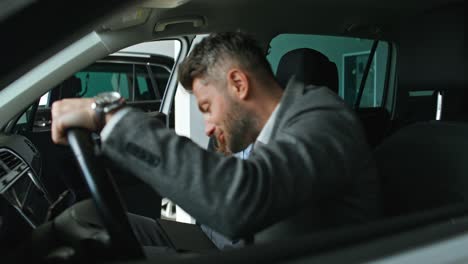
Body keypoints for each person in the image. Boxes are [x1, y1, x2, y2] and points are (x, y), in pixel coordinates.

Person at [51, 32, 381, 250]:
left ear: (238, 84)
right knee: (81, 220)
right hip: (216, 240)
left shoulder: (323, 118)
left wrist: (111, 117)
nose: (207, 127)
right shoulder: (248, 131)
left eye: (207, 108)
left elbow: (242, 201)